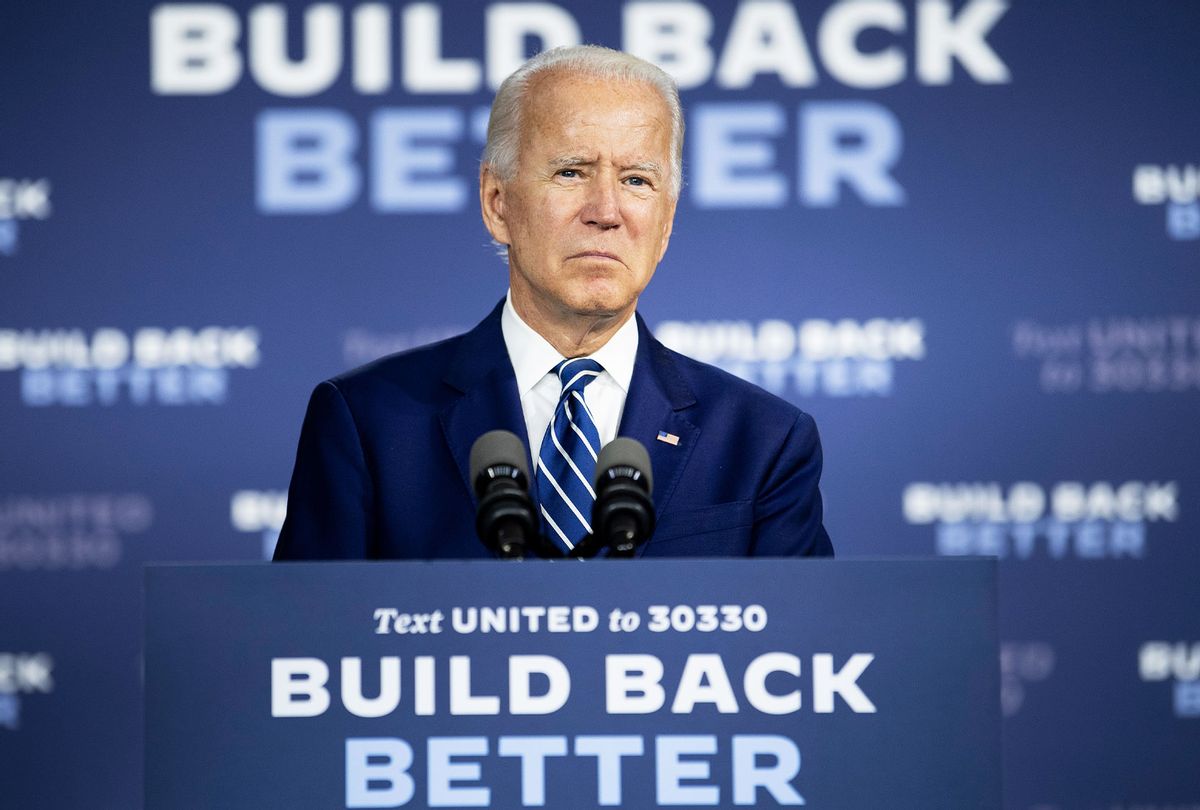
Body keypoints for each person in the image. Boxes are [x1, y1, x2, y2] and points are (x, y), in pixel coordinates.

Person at [273, 45, 832, 560]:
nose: (607, 211)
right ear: (497, 203)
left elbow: (802, 648)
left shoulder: (763, 441)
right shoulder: (369, 423)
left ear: (665, 223)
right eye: (571, 172)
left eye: (638, 181)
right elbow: (309, 647)